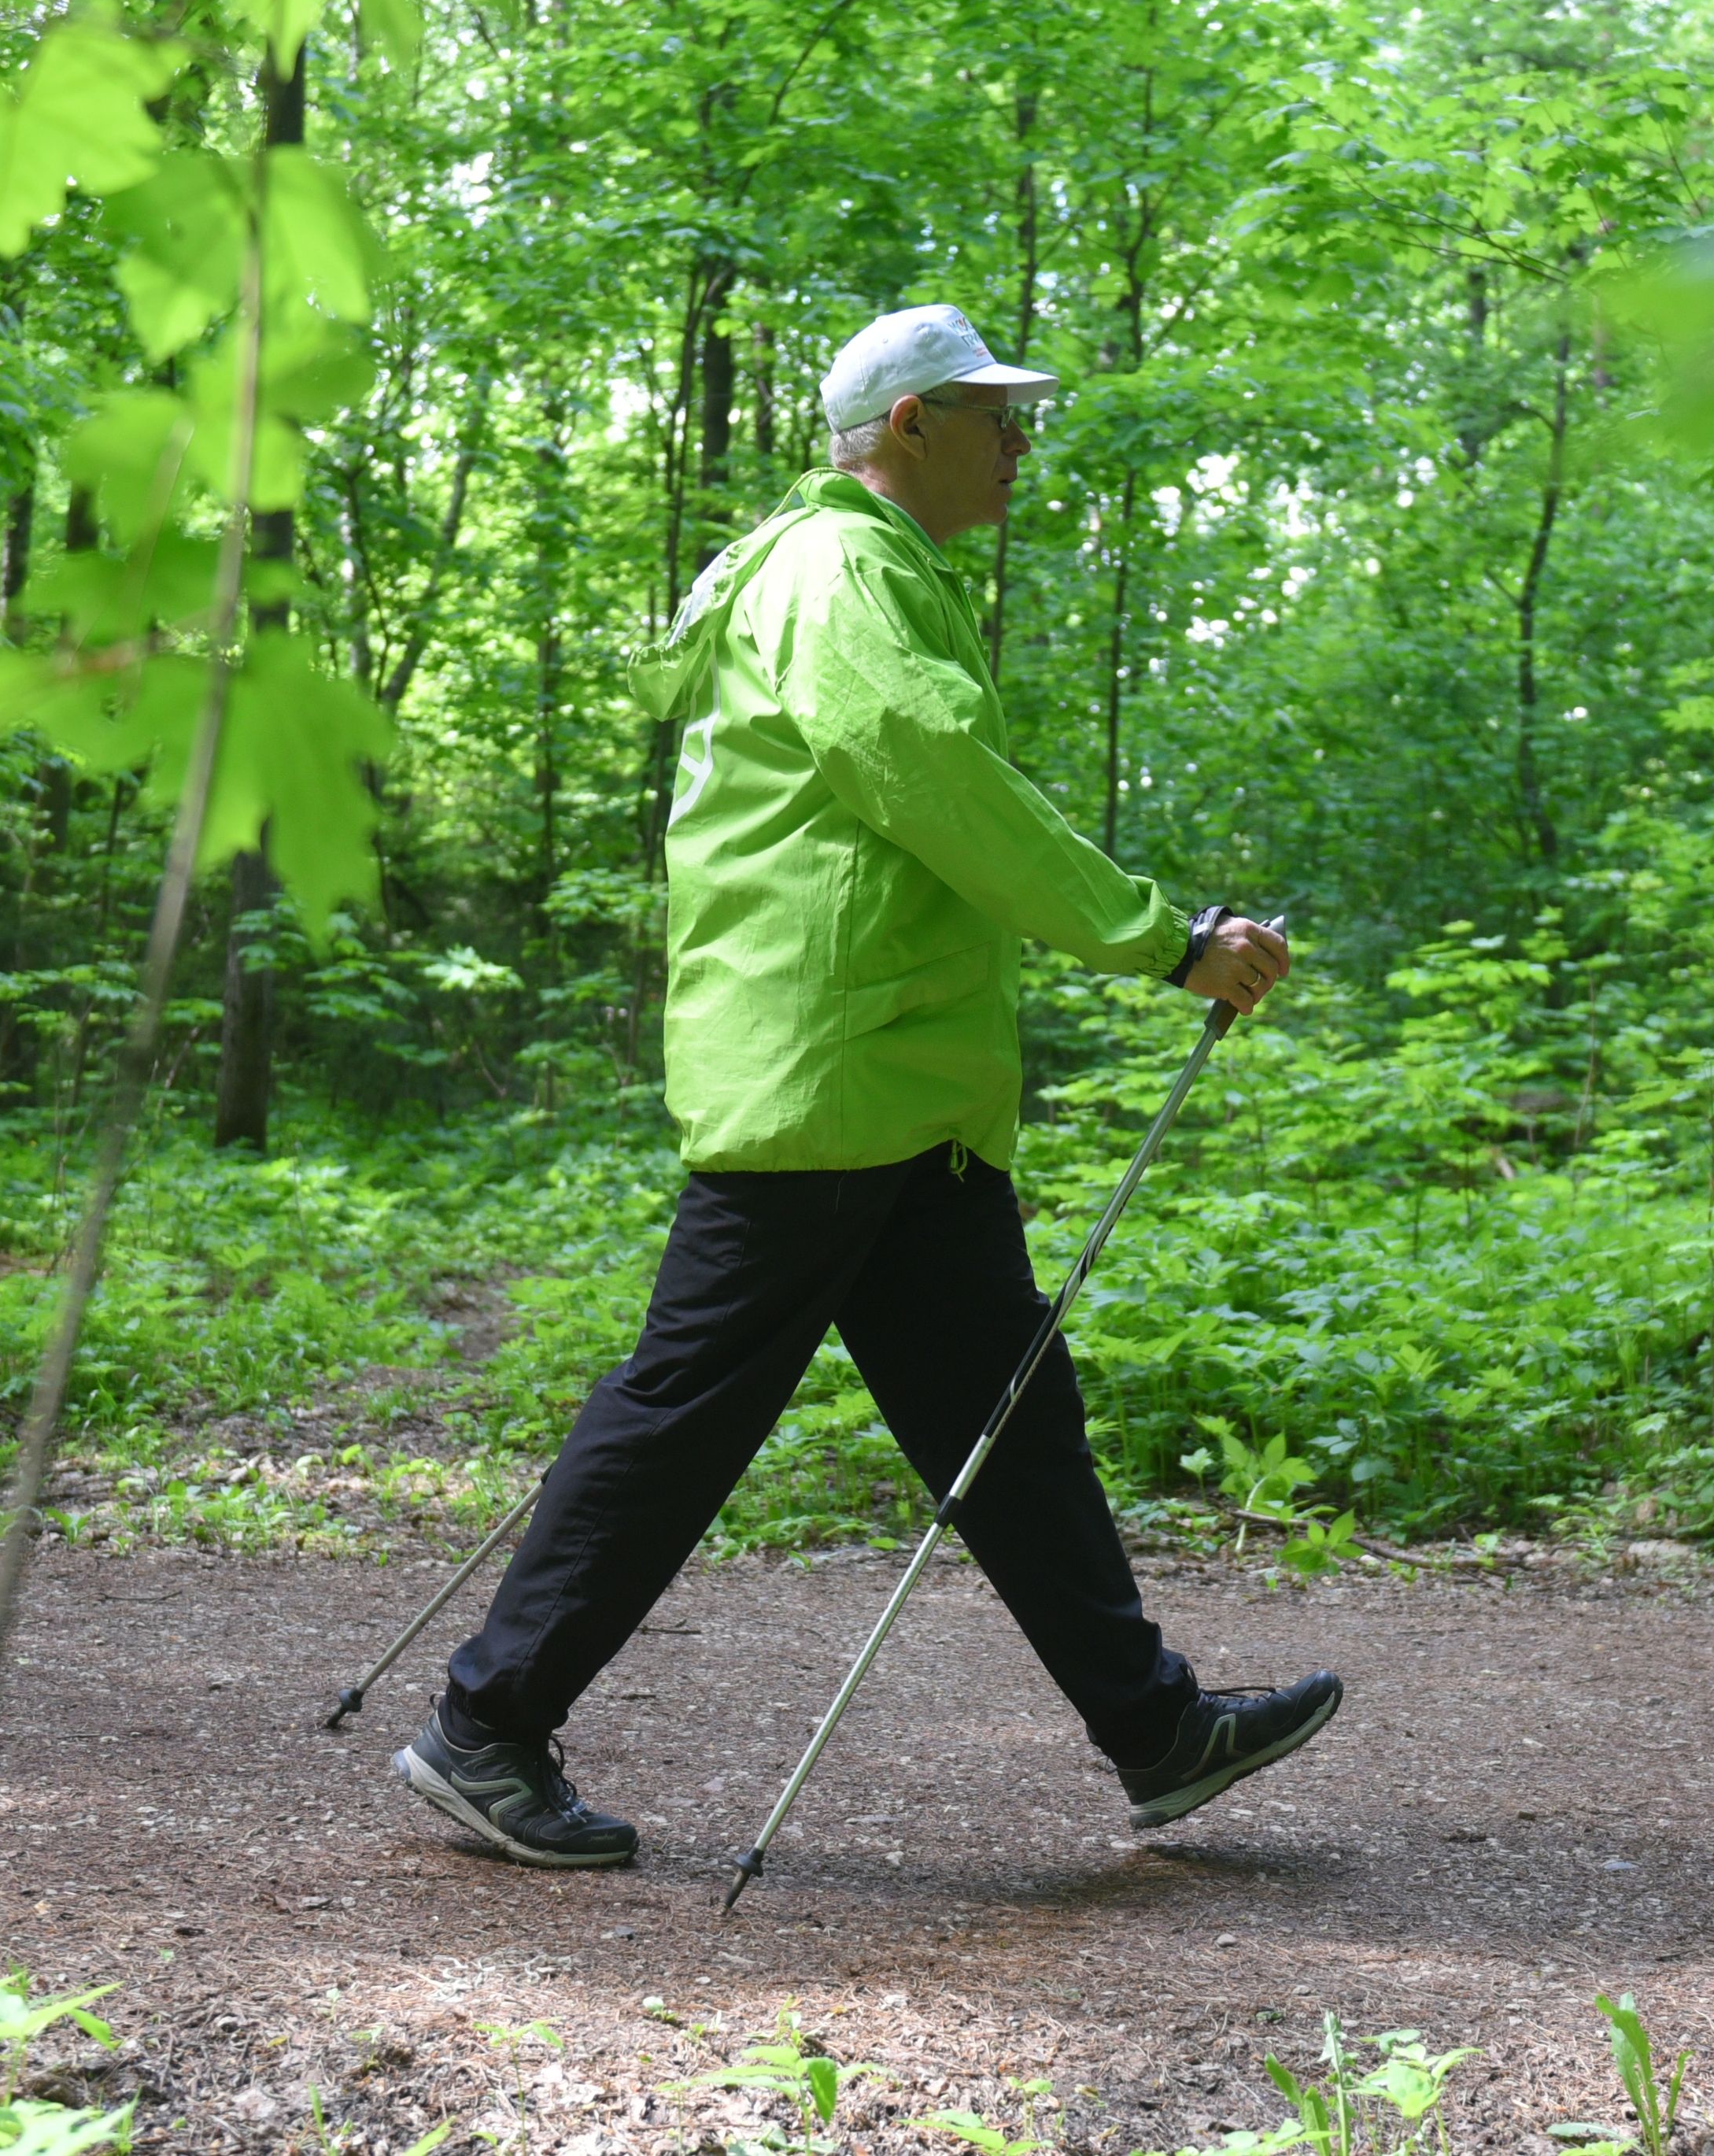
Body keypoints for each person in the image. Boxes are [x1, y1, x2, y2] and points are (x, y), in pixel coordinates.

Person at [395, 305, 1339, 1869]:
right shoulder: (842, 574)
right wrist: (1161, 938)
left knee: (1010, 1413)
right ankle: (488, 1725)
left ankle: (1155, 1727)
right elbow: (938, 776)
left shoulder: (858, 571)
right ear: (911, 428)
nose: (1019, 443)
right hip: (831, 1070)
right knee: (687, 1406)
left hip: (897, 1085)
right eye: (993, 416)